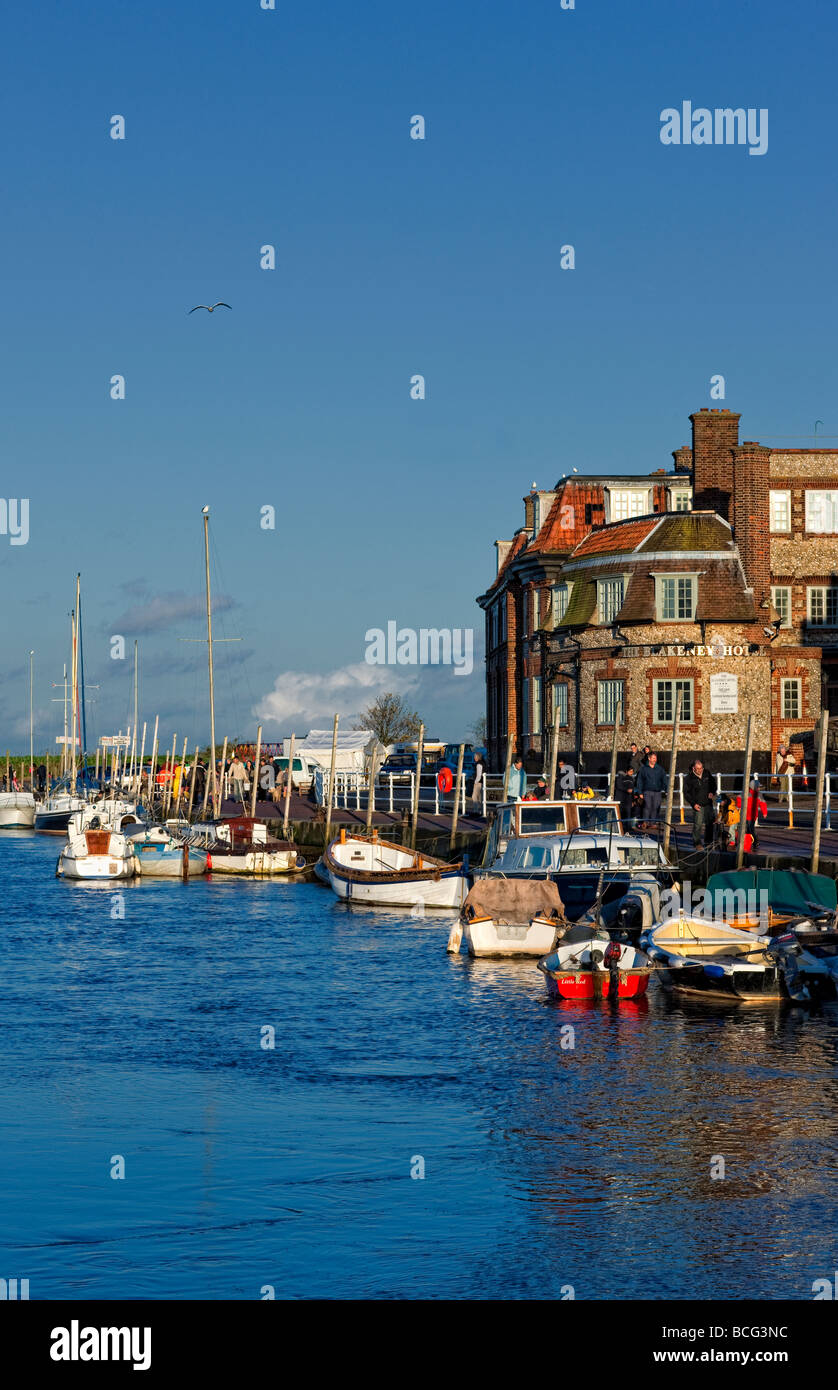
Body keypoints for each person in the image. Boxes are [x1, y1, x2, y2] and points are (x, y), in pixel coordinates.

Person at [684, 758, 715, 849]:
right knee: (698, 824)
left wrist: (712, 792)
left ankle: (708, 841)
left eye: (701, 768)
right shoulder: (689, 778)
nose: (700, 770)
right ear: (694, 768)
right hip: (698, 804)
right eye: (698, 769)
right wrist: (693, 804)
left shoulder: (707, 773)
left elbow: (713, 784)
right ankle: (697, 842)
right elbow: (686, 793)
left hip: (708, 803)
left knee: (710, 823)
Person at [635, 751, 666, 831]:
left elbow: (664, 780)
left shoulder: (660, 769)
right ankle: (645, 822)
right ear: (649, 758)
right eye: (653, 758)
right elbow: (640, 781)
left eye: (655, 758)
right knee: (647, 806)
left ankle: (653, 823)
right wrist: (640, 792)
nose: (655, 760)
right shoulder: (643, 769)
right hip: (647, 791)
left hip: (657, 791)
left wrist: (666, 789)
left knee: (656, 807)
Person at [736, 776, 768, 852]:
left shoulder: (759, 794)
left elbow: (763, 804)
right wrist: (739, 806)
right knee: (745, 828)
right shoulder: (745, 793)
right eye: (758, 787)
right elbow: (739, 798)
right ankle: (747, 841)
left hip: (753, 815)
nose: (759, 789)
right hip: (745, 814)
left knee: (751, 828)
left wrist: (765, 812)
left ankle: (756, 841)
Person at [616, 764, 636, 829]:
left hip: (629, 799)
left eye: (632, 771)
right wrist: (627, 790)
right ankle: (621, 827)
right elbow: (619, 787)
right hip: (623, 798)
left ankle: (628, 827)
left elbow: (632, 791)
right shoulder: (622, 778)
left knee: (628, 813)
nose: (631, 773)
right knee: (621, 813)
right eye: (630, 771)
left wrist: (633, 800)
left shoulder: (632, 779)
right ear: (626, 771)